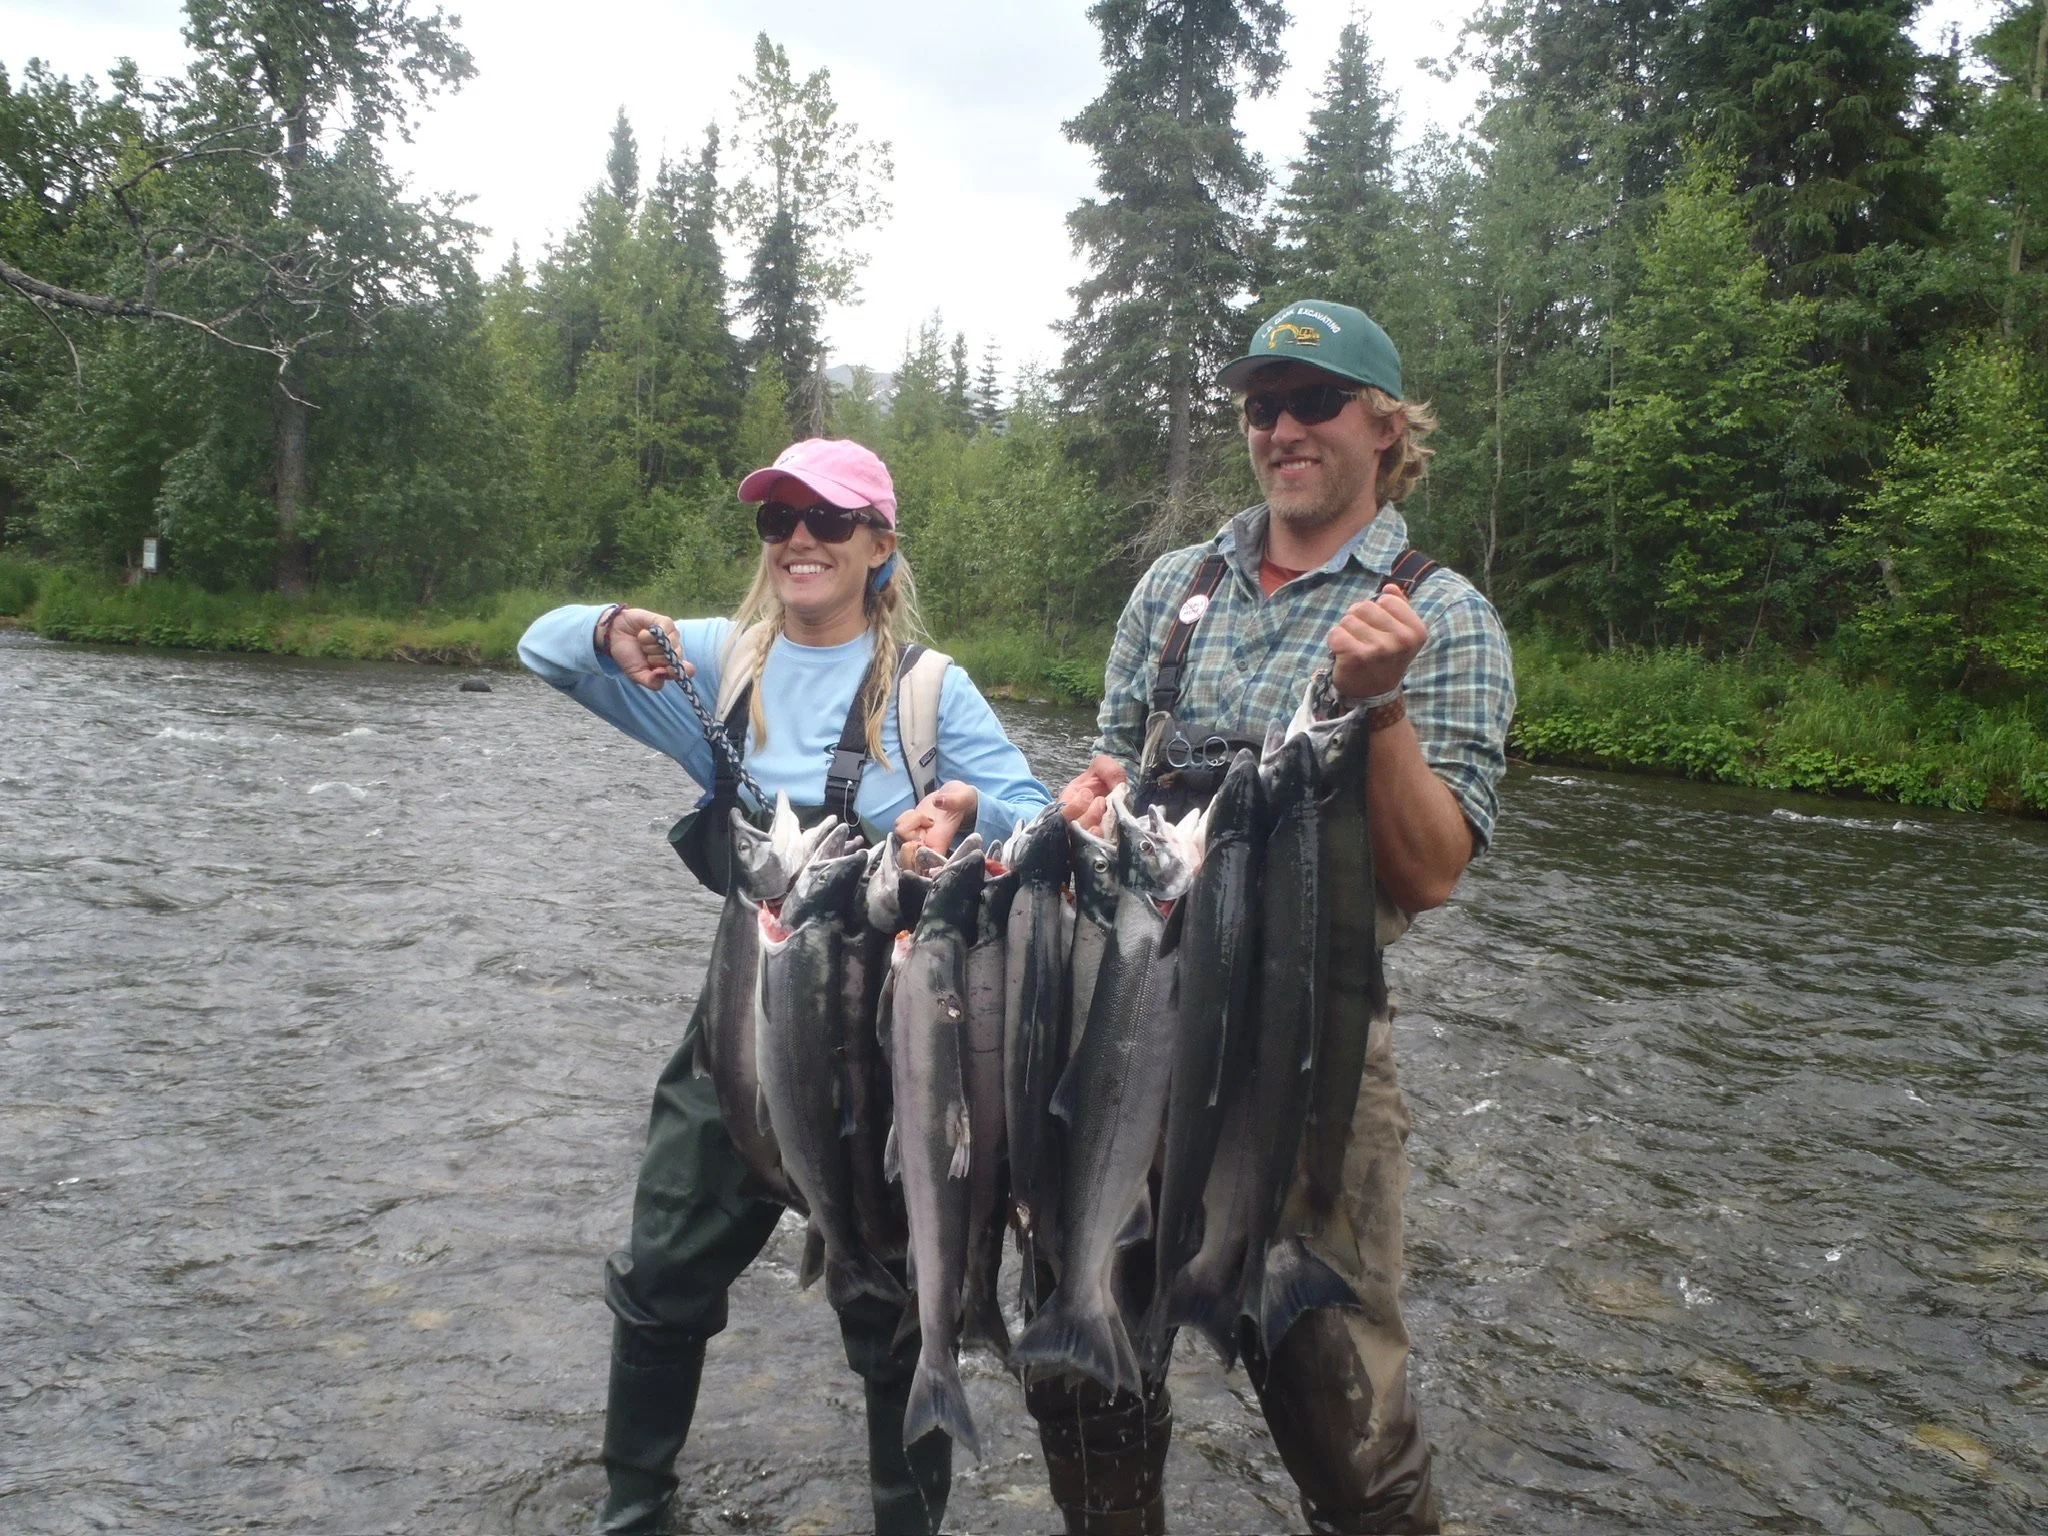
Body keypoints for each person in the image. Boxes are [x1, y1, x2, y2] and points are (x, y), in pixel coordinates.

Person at [519, 437, 1052, 1536]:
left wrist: (956, 818)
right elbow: (543, 653)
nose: (799, 537)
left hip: (892, 1041)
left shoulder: (927, 690)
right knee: (662, 1267)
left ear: (878, 545)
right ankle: (634, 1510)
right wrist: (608, 623)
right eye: (776, 519)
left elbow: (1030, 814)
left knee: (890, 1306)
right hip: (739, 1023)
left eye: (827, 518)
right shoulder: (717, 663)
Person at [1050, 300, 1515, 1535]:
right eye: (1262, 406)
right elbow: (1109, 768)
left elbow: (1427, 876)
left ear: (1382, 424)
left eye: (1312, 401)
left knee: (1342, 1418)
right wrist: (1092, 800)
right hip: (1136, 1011)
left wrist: (1387, 711)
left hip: (1309, 1047)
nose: (1281, 429)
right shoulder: (1174, 585)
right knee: (1079, 1353)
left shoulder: (1444, 616)